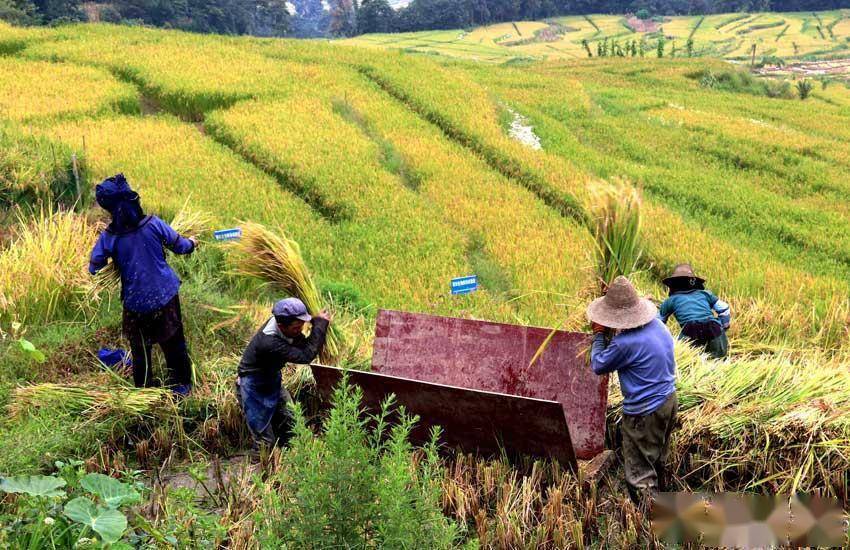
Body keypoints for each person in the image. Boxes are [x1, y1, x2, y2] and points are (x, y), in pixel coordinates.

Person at [88, 174, 197, 395]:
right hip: (164, 295)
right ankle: (181, 387)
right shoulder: (153, 224)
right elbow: (182, 247)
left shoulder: (109, 237)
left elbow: (94, 267)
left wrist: (115, 262)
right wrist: (193, 242)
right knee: (174, 343)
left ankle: (145, 392)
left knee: (140, 351)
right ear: (132, 198)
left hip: (135, 302)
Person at [587, 276, 677, 504]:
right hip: (668, 400)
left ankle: (651, 526)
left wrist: (599, 334)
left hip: (644, 413)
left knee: (640, 476)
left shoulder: (624, 343)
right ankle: (665, 511)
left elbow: (598, 364)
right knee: (656, 460)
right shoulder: (657, 324)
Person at [236, 297, 331, 450]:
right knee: (264, 443)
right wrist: (320, 325)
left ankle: (298, 457)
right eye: (296, 328)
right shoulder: (269, 341)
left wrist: (316, 322)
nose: (300, 331)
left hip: (272, 378)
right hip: (253, 385)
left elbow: (304, 345)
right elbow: (305, 356)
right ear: (281, 326)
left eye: (302, 326)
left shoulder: (287, 327)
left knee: (294, 420)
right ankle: (262, 468)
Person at [658, 264, 731, 359]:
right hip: (714, 328)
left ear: (673, 284)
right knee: (719, 360)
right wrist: (722, 325)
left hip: (690, 330)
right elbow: (724, 308)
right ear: (694, 281)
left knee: (687, 359)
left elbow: (658, 322)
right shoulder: (705, 294)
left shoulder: (670, 301)